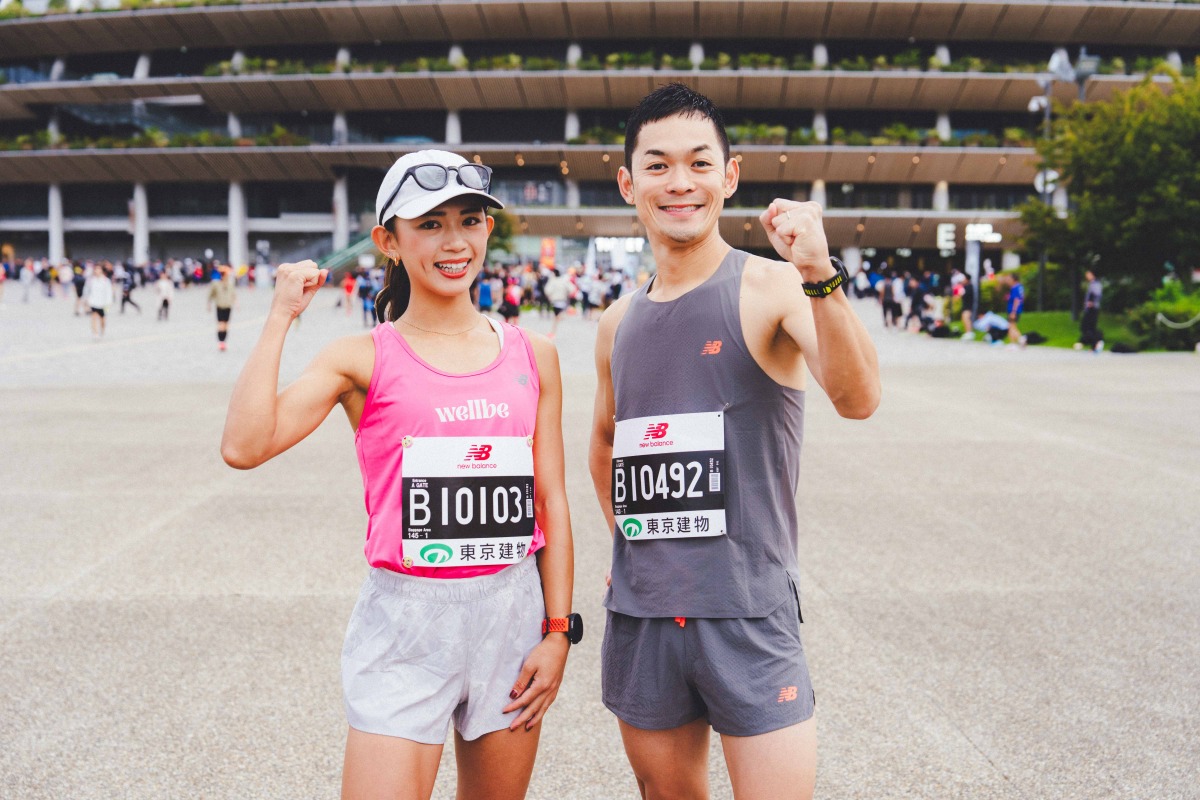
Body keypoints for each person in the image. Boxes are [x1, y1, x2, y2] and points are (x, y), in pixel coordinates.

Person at [221, 149, 575, 800]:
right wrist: (278, 318)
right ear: (388, 240)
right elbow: (245, 445)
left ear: (488, 230)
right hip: (407, 622)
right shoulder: (360, 357)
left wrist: (558, 632)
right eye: (430, 224)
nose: (454, 241)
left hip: (511, 614)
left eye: (469, 220)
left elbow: (550, 500)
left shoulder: (535, 356)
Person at [588, 84, 879, 800]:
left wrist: (819, 272)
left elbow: (859, 397)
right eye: (657, 166)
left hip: (749, 614)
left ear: (731, 175)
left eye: (698, 163)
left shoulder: (775, 288)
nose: (679, 183)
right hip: (645, 617)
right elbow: (604, 444)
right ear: (629, 183)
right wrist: (632, 546)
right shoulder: (616, 323)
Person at [207, 264, 237, 350]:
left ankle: (224, 342)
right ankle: (220, 342)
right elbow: (211, 294)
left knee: (226, 325)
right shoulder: (216, 284)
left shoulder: (229, 284)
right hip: (220, 306)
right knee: (221, 324)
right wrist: (209, 304)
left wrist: (235, 303)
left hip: (228, 306)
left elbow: (233, 294)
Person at [84, 261, 115, 339]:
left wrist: (109, 302)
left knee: (102, 320)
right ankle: (95, 333)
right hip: (93, 302)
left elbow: (109, 292)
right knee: (93, 317)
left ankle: (102, 330)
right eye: (96, 269)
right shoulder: (91, 280)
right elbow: (87, 290)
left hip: (103, 302)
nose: (97, 271)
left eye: (98, 269)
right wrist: (86, 301)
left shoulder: (105, 280)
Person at [1078, 270, 1104, 352]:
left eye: (1088, 274)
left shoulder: (1096, 284)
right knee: (1088, 327)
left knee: (1087, 327)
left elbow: (1097, 294)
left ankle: (1096, 342)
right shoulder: (1092, 283)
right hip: (1090, 308)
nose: (1087, 276)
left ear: (1093, 274)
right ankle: (1095, 344)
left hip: (1092, 308)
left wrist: (1092, 302)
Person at [1006, 272, 1026, 347]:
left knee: (1010, 326)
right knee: (1012, 326)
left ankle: (1015, 342)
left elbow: (1016, 300)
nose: (1008, 280)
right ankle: (1019, 340)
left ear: (1013, 279)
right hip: (1018, 309)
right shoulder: (1020, 287)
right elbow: (1022, 298)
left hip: (1013, 310)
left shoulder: (1015, 288)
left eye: (1009, 279)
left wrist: (1013, 312)